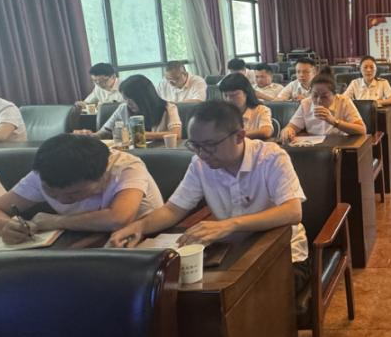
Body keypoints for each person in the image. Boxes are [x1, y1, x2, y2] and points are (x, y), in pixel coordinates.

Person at [107, 101, 310, 293]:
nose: (202, 154)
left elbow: (292, 211)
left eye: (210, 145)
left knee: (248, 297)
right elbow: (173, 209)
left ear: (239, 136)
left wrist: (229, 225)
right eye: (195, 145)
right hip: (230, 253)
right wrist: (139, 227)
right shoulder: (200, 164)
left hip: (285, 253)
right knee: (165, 290)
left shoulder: (271, 157)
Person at [0, 133, 163, 243]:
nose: (62, 200)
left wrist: (54, 221)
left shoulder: (126, 167)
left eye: (74, 194)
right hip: (80, 242)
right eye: (51, 192)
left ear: (103, 176)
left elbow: (119, 219)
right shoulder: (44, 173)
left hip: (140, 240)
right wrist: (7, 227)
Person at [87, 75, 182, 141]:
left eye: (131, 100)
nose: (128, 103)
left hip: (161, 154)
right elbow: (103, 132)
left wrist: (142, 135)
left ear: (143, 98)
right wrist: (89, 135)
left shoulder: (168, 108)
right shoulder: (123, 108)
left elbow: (176, 134)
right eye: (125, 99)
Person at [280, 70, 366, 142]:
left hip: (340, 144)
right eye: (315, 95)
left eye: (324, 97)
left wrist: (334, 121)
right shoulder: (306, 103)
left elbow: (361, 130)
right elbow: (291, 127)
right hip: (313, 146)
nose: (319, 100)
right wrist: (287, 131)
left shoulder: (344, 101)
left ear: (334, 94)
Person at [218, 73, 272, 140]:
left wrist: (237, 136)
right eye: (226, 95)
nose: (229, 100)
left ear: (246, 93)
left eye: (234, 95)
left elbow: (266, 131)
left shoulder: (261, 110)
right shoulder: (222, 112)